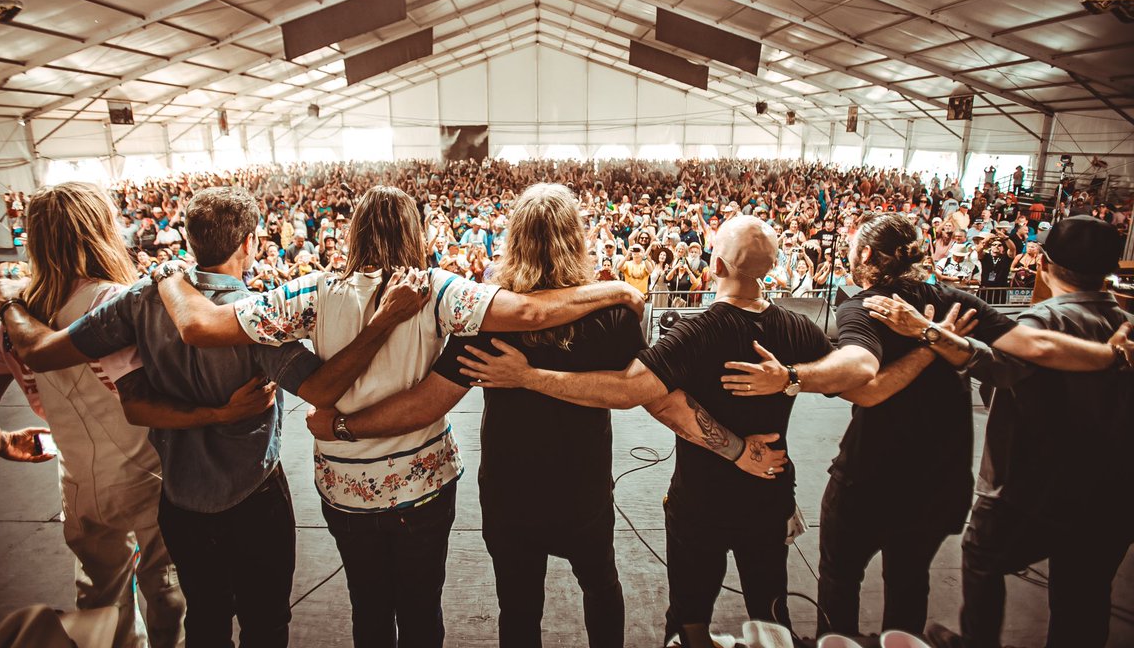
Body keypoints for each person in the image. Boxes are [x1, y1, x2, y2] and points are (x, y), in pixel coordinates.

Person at [148, 185, 647, 648]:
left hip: (348, 486)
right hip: (432, 485)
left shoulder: (312, 293)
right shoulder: (438, 291)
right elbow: (532, 315)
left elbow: (199, 325)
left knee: (371, 607)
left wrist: (168, 275)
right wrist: (617, 291)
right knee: (427, 608)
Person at [299, 186, 778, 648]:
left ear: (514, 241)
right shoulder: (611, 316)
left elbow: (428, 402)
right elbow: (660, 400)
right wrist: (736, 450)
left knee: (519, 607)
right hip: (582, 489)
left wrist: (344, 429)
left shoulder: (487, 319)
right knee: (601, 587)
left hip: (510, 493)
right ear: (577, 239)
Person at [0, 186, 432, 648]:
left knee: (204, 619)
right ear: (249, 243)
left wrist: (8, 302)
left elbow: (45, 356)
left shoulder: (140, 300)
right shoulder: (255, 315)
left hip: (180, 501)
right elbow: (322, 390)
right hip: (254, 498)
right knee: (265, 622)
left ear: (188, 236)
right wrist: (381, 322)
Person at [721, 212, 1134, 639]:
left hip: (871, 476)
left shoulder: (867, 307)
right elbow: (1038, 346)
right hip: (942, 481)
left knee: (840, 578)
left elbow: (867, 387)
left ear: (865, 253)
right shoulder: (955, 302)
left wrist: (791, 377)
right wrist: (1110, 355)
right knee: (910, 583)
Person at [460, 215, 832, 644]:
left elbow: (635, 391)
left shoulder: (695, 333)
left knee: (682, 617)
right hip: (764, 493)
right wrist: (790, 378)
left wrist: (527, 375)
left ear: (717, 265)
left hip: (690, 504)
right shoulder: (798, 327)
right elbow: (855, 372)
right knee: (769, 613)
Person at [868, 217, 1134, 648]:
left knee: (982, 557)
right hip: (1111, 494)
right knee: (1084, 594)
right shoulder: (1127, 325)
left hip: (1032, 487)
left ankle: (976, 641)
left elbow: (996, 371)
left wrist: (927, 331)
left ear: (1044, 265)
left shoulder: (1044, 322)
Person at [0, 182, 186, 648]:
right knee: (168, 587)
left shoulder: (9, 320)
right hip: (151, 472)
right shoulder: (121, 300)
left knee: (100, 600)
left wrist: (4, 443)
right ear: (100, 229)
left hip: (79, 481)